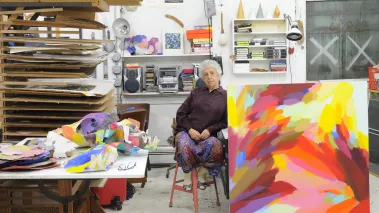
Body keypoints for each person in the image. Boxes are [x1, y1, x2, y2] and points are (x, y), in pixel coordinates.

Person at [174, 59, 227, 191]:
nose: (209, 77)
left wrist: (210, 130)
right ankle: (187, 177)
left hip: (207, 136)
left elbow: (225, 121)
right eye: (206, 74)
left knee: (217, 147)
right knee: (183, 143)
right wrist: (190, 129)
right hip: (187, 132)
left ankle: (201, 174)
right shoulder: (195, 93)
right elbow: (181, 113)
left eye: (212, 73)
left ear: (218, 75)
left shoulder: (226, 96)